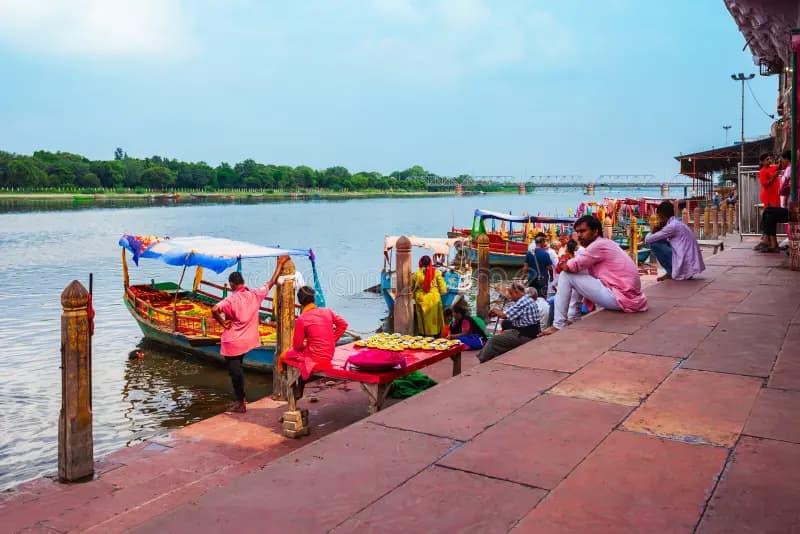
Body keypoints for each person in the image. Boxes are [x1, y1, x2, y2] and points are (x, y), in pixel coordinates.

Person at [542, 215, 647, 335]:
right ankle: (573, 316)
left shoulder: (597, 246)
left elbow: (568, 267)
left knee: (566, 275)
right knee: (575, 273)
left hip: (621, 298)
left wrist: (563, 263)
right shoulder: (606, 243)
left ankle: (558, 324)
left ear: (595, 231)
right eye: (577, 232)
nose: (579, 235)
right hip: (630, 298)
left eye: (583, 231)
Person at [211, 266, 281, 413]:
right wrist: (279, 264)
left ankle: (241, 402)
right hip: (248, 341)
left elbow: (214, 309)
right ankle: (240, 400)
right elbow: (271, 282)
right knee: (238, 370)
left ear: (231, 284)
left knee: (235, 373)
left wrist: (222, 322)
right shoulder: (255, 294)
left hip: (233, 342)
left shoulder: (231, 299)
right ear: (242, 282)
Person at [285, 286, 349, 381]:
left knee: (283, 357)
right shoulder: (327, 311)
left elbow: (297, 346)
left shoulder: (302, 319)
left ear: (300, 301)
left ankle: (293, 386)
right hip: (329, 355)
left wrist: (305, 345)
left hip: (314, 359)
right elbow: (343, 325)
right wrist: (332, 340)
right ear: (313, 298)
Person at [477, 281, 541, 363]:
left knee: (493, 340)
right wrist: (497, 313)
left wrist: (494, 310)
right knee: (505, 330)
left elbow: (504, 315)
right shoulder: (527, 298)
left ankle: (482, 359)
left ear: (516, 292)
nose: (510, 296)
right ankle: (490, 356)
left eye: (511, 294)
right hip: (529, 332)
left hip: (525, 335)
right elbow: (510, 313)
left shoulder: (522, 302)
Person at [645, 200, 705, 281]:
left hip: (684, 265)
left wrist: (654, 230)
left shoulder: (672, 226)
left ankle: (670, 272)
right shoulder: (677, 223)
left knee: (654, 244)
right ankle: (671, 272)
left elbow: (648, 239)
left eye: (659, 217)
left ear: (662, 216)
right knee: (660, 240)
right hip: (688, 264)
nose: (659, 220)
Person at [755, 153, 788, 253]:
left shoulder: (773, 167)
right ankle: (767, 240)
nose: (769, 161)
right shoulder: (762, 171)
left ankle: (767, 240)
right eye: (767, 159)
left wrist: (782, 160)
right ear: (762, 162)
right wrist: (774, 176)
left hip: (775, 197)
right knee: (768, 217)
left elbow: (781, 166)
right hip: (768, 198)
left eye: (770, 159)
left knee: (769, 218)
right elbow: (765, 184)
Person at [411, 255, 447, 337]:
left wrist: (414, 295)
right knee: (435, 319)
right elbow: (443, 288)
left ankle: (423, 335)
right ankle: (436, 335)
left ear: (420, 262)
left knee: (422, 320)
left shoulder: (416, 273)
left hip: (421, 299)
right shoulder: (437, 272)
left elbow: (411, 287)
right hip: (434, 298)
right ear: (430, 262)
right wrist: (440, 291)